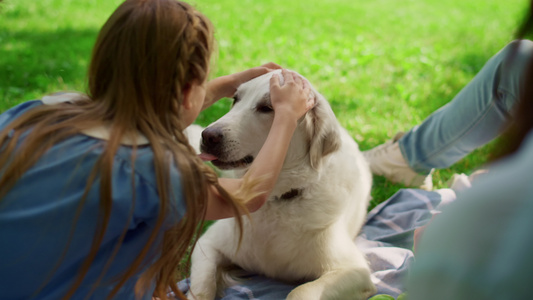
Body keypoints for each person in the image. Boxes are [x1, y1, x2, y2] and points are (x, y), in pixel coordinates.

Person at [0, 1, 314, 299]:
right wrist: (285, 115)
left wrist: (228, 84)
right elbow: (249, 193)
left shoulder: (38, 113)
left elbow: (151, 108)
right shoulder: (153, 171)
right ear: (188, 89)